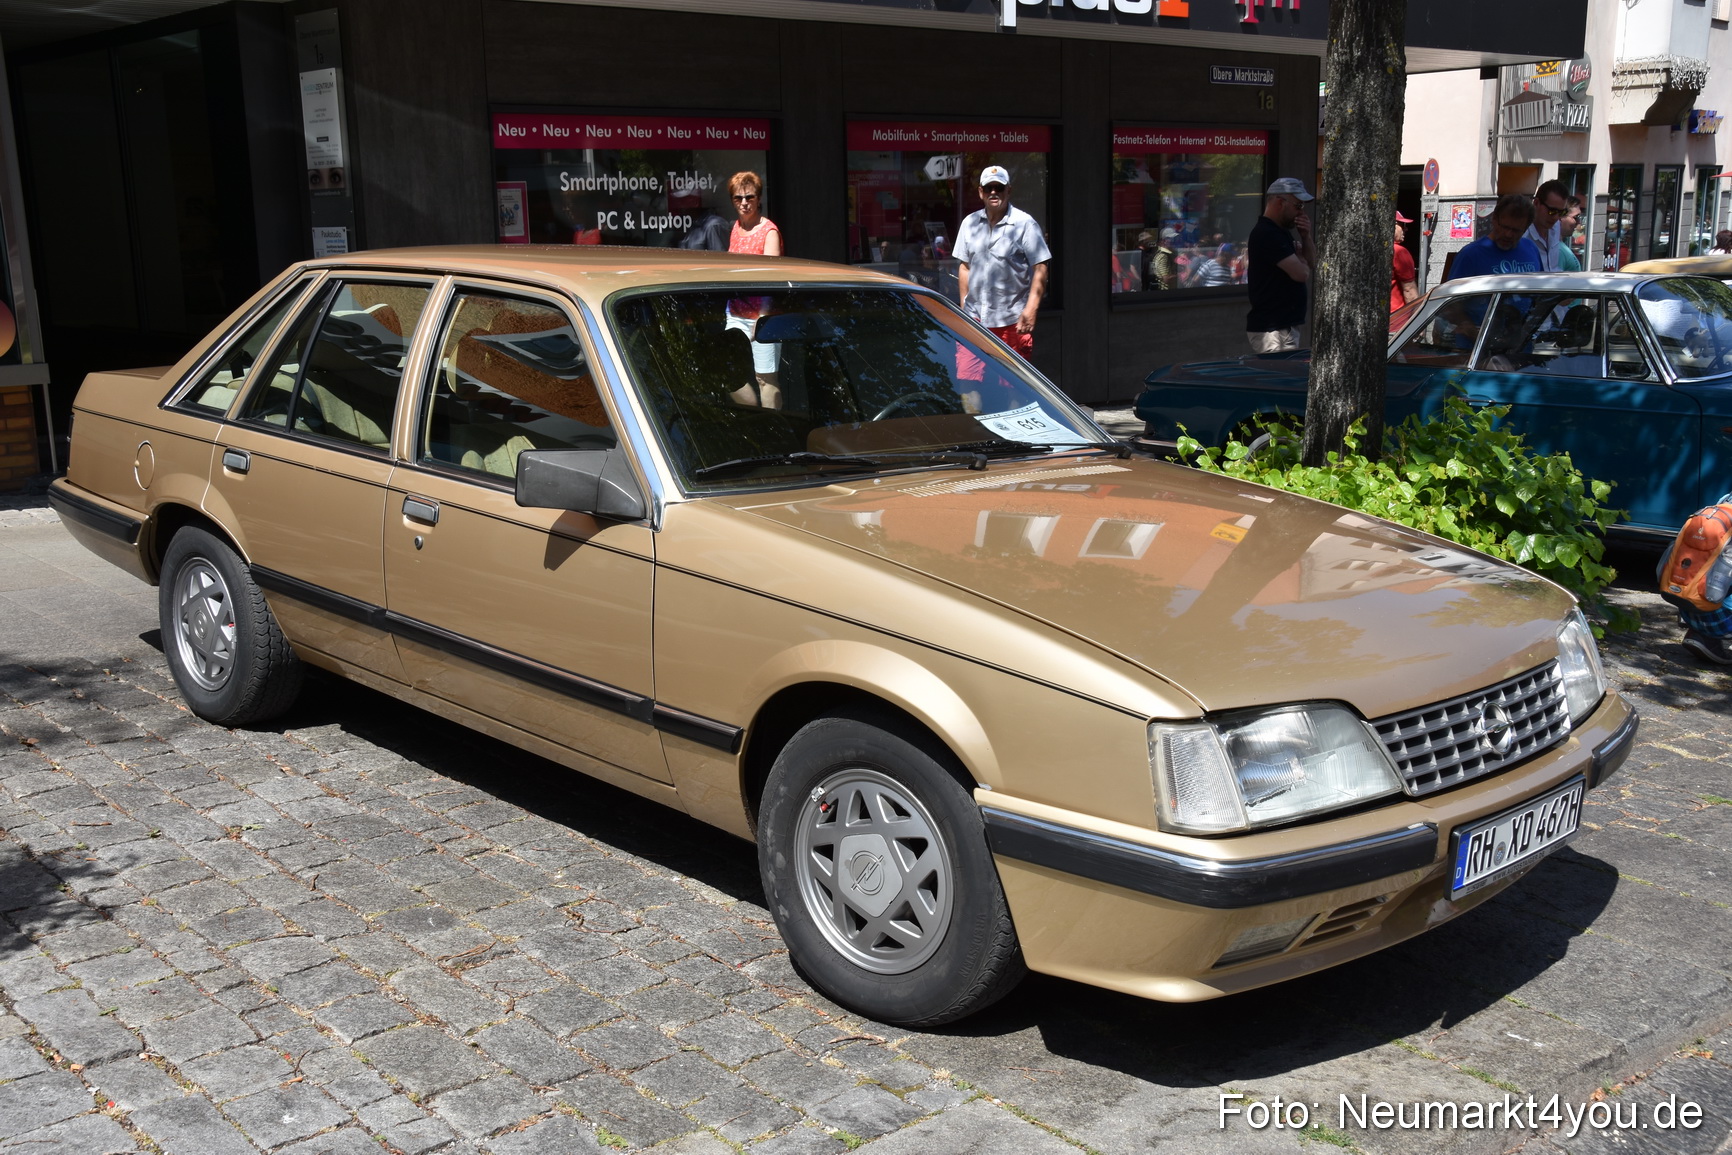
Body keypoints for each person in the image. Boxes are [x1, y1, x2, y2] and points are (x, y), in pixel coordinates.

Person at [953, 165, 1051, 362]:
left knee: (1011, 388)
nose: (993, 192)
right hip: (974, 322)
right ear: (981, 192)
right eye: (989, 188)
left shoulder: (1025, 224)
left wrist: (1031, 309)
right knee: (969, 385)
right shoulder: (969, 223)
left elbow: (1041, 267)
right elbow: (964, 266)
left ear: (1009, 190)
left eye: (999, 187)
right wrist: (964, 306)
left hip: (1012, 323)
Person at [724, 172, 782, 408]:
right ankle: (753, 421)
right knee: (728, 372)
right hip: (735, 312)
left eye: (749, 197)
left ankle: (773, 431)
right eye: (738, 198)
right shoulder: (735, 228)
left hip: (763, 315)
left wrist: (762, 320)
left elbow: (772, 281)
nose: (744, 202)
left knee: (765, 378)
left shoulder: (769, 231)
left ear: (759, 199)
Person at [1246, 177, 1315, 353]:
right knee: (1278, 378)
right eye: (1297, 206)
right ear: (1280, 202)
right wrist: (1300, 260)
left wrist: (1306, 236)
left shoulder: (1281, 232)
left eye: (1303, 207)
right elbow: (1302, 274)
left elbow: (1313, 263)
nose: (1301, 213)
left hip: (1284, 326)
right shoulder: (1267, 233)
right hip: (1272, 329)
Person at [1446, 194, 1543, 281]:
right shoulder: (1470, 255)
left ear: (1525, 228)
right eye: (1505, 227)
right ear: (1494, 219)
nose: (1508, 234)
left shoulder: (1531, 248)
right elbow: (1451, 296)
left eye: (1516, 230)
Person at [1524, 179, 1571, 272]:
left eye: (1561, 212)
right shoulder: (1522, 234)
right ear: (1536, 203)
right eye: (1552, 211)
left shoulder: (1556, 226)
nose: (1556, 217)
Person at [1390, 212, 1419, 311]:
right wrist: (1416, 320)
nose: (1406, 229)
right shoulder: (1399, 252)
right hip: (1396, 319)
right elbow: (1409, 290)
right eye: (1403, 225)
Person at [1557, 196, 1585, 272]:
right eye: (1576, 217)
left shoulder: (1560, 245)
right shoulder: (1555, 250)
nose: (1579, 222)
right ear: (1560, 217)